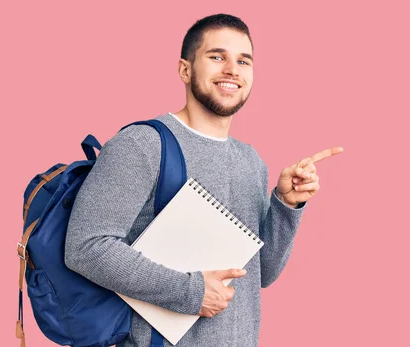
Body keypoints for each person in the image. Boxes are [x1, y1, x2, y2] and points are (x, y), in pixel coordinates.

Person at [65, 13, 343, 347]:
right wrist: (192, 292)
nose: (232, 70)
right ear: (185, 69)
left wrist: (286, 203)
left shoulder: (251, 161)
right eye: (217, 57)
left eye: (243, 61)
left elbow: (262, 275)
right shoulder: (142, 144)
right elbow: (85, 248)